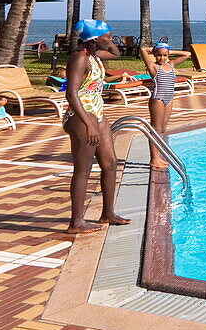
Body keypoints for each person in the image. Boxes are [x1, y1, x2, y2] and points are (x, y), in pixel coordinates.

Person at [62, 19, 130, 234]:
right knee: (83, 170)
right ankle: (76, 223)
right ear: (93, 39)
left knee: (110, 164)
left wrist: (105, 38)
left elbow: (117, 53)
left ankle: (108, 213)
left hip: (97, 113)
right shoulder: (80, 59)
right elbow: (71, 93)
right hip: (81, 116)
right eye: (107, 36)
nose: (111, 40)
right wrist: (88, 123)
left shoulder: (95, 56)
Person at [139, 43, 191, 169]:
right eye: (159, 55)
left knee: (162, 129)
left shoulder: (170, 64)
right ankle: (154, 159)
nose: (162, 58)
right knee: (155, 129)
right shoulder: (153, 66)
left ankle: (158, 156)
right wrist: (155, 49)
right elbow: (142, 49)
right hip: (158, 99)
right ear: (155, 55)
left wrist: (169, 51)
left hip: (169, 98)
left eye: (164, 55)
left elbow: (187, 54)